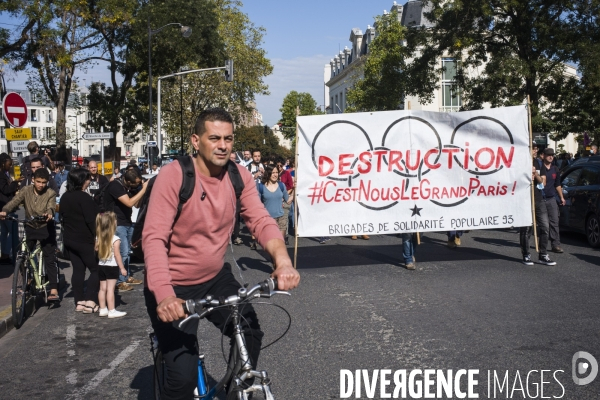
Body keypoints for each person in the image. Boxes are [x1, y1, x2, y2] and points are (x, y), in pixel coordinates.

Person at [143, 108, 300, 400]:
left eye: (228, 138)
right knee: (182, 377)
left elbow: (260, 220)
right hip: (172, 284)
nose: (223, 145)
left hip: (214, 277)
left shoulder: (238, 175)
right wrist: (164, 295)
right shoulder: (174, 175)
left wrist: (283, 261)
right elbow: (153, 239)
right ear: (195, 141)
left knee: (250, 331)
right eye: (214, 137)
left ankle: (233, 392)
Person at [0, 168, 60, 300]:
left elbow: (51, 205)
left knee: (49, 258)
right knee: (23, 255)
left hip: (45, 227)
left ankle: (54, 289)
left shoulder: (50, 193)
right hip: (30, 226)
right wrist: (5, 210)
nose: (41, 185)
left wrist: (49, 213)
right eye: (38, 182)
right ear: (33, 180)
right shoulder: (26, 190)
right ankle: (28, 279)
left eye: (43, 182)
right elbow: (15, 201)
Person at [60, 168, 100, 312]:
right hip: (84, 239)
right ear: (83, 181)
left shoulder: (65, 197)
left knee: (78, 270)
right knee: (96, 269)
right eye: (88, 179)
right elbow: (91, 221)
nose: (89, 181)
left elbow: (62, 219)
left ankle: (79, 302)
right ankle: (90, 301)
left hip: (70, 239)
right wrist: (97, 238)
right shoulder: (84, 198)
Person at [104, 168, 148, 291]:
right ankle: (119, 281)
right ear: (128, 181)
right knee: (122, 252)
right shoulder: (115, 186)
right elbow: (129, 203)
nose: (138, 185)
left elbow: (136, 204)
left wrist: (142, 191)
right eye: (136, 183)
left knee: (127, 252)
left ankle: (126, 276)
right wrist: (144, 189)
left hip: (127, 221)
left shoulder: (128, 187)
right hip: (117, 223)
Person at [520, 143, 556, 265]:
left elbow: (543, 182)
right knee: (527, 229)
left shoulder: (539, 163)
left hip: (538, 198)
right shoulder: (520, 161)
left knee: (545, 227)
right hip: (525, 199)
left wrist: (535, 174)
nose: (535, 151)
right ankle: (526, 254)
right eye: (533, 149)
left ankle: (543, 254)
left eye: (536, 149)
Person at [96, 211, 127, 318]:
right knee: (110, 289)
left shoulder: (98, 238)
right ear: (112, 223)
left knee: (102, 289)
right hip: (112, 267)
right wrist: (122, 268)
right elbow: (117, 255)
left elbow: (96, 249)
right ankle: (112, 310)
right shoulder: (115, 239)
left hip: (101, 265)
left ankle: (102, 308)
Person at [255, 165, 291, 249]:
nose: (275, 175)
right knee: (272, 244)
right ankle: (274, 260)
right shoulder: (261, 187)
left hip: (281, 217)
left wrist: (295, 190)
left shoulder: (281, 185)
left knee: (281, 244)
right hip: (269, 219)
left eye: (276, 173)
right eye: (273, 173)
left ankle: (277, 262)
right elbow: (258, 203)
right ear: (268, 174)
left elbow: (288, 200)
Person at [540, 148, 565, 253]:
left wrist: (561, 197)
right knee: (544, 224)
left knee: (554, 221)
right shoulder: (540, 168)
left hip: (551, 198)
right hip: (540, 199)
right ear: (544, 156)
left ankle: (555, 244)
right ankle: (542, 245)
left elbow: (558, 185)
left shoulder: (555, 169)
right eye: (548, 155)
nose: (551, 157)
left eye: (552, 155)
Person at [0, 153, 23, 263]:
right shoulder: (1, 175)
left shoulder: (5, 173)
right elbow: (5, 189)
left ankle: (4, 254)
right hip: (5, 206)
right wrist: (15, 182)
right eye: (9, 165)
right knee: (11, 231)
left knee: (4, 231)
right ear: (3, 163)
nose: (10, 167)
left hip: (4, 206)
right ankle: (6, 253)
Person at [276, 158, 294, 245]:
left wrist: (285, 195)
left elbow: (290, 186)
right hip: (275, 199)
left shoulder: (286, 173)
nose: (279, 167)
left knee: (284, 218)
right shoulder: (273, 174)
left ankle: (285, 236)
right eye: (277, 165)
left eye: (280, 165)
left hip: (285, 198)